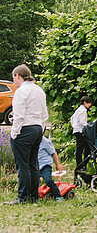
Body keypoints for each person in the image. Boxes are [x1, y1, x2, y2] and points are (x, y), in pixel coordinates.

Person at [7, 65, 47, 204]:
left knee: (22, 165)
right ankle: (33, 195)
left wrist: (14, 133)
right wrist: (41, 129)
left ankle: (22, 197)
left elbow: (18, 115)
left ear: (18, 75)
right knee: (33, 164)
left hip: (24, 129)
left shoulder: (21, 91)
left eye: (14, 77)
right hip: (37, 129)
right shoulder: (39, 90)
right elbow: (44, 113)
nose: (14, 81)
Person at [37, 136, 65, 200]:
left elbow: (53, 153)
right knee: (33, 181)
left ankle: (58, 196)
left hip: (45, 165)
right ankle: (34, 195)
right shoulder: (32, 141)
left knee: (48, 180)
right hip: (36, 165)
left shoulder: (46, 142)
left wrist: (57, 164)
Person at [70, 96, 94, 166]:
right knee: (84, 149)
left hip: (76, 130)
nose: (90, 104)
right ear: (84, 103)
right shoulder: (83, 110)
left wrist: (74, 126)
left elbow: (72, 119)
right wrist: (89, 126)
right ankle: (82, 164)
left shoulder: (78, 110)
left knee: (80, 149)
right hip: (81, 131)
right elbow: (82, 122)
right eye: (88, 103)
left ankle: (80, 164)